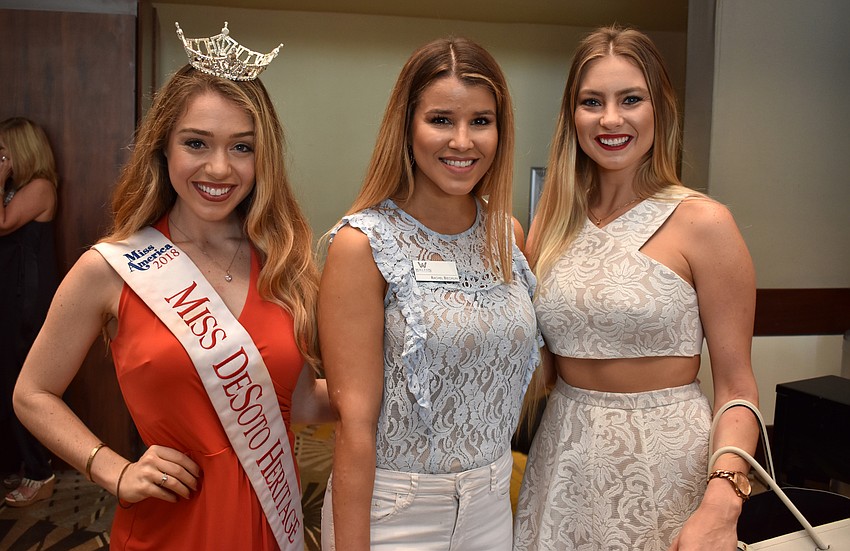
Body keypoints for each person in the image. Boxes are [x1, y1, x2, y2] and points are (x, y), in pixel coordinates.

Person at [13, 22, 331, 550]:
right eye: (196, 143)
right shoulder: (112, 267)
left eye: (242, 147)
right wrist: (110, 469)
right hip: (171, 522)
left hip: (269, 519)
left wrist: (392, 386)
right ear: (164, 149)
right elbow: (31, 393)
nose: (219, 167)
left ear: (263, 156)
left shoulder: (283, 264)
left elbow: (290, 401)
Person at [513, 25, 760, 551]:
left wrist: (723, 503)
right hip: (563, 465)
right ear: (571, 116)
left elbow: (738, 391)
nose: (610, 119)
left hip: (668, 467)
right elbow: (534, 372)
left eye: (631, 99)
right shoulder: (551, 224)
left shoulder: (704, 222)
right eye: (591, 101)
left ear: (659, 109)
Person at [318, 37, 540, 551]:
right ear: (407, 126)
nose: (462, 141)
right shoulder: (363, 244)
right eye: (441, 120)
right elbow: (354, 424)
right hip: (395, 512)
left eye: (480, 122)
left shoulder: (508, 235)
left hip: (491, 505)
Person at [0, 117, 59, 506]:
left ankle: (41, 473)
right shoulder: (20, 189)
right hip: (13, 296)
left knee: (22, 382)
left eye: (4, 151)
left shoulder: (40, 187)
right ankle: (24, 464)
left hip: (26, 301)